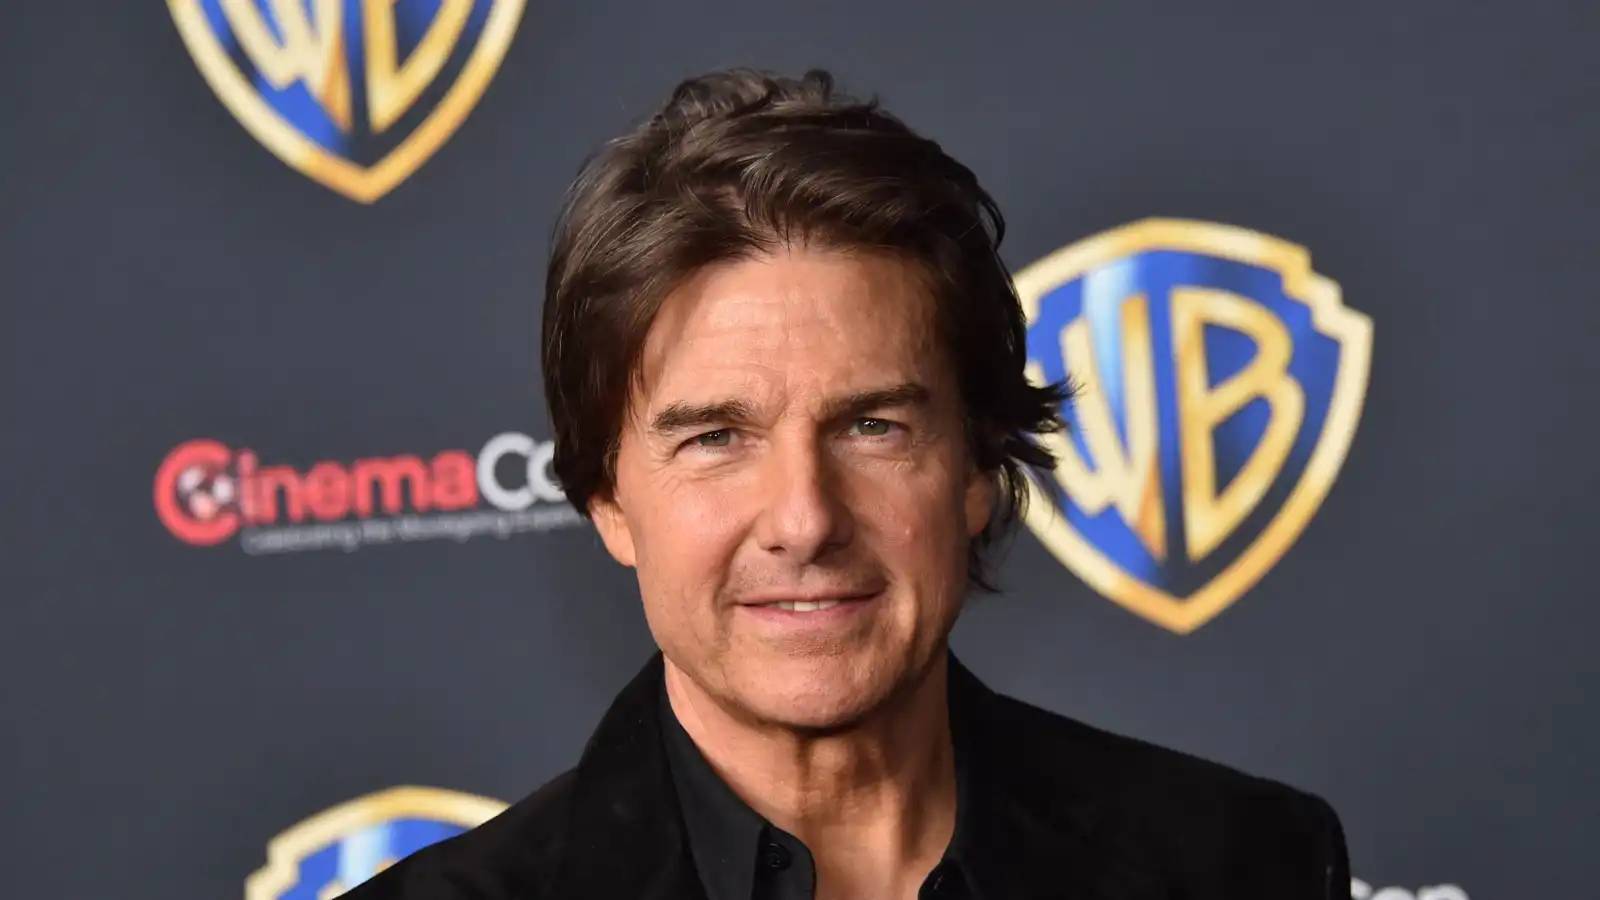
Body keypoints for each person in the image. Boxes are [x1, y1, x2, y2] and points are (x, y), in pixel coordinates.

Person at [347, 68, 1351, 900]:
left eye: (873, 426)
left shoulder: (1241, 864)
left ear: (976, 467)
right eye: (715, 439)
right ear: (607, 497)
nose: (804, 519)